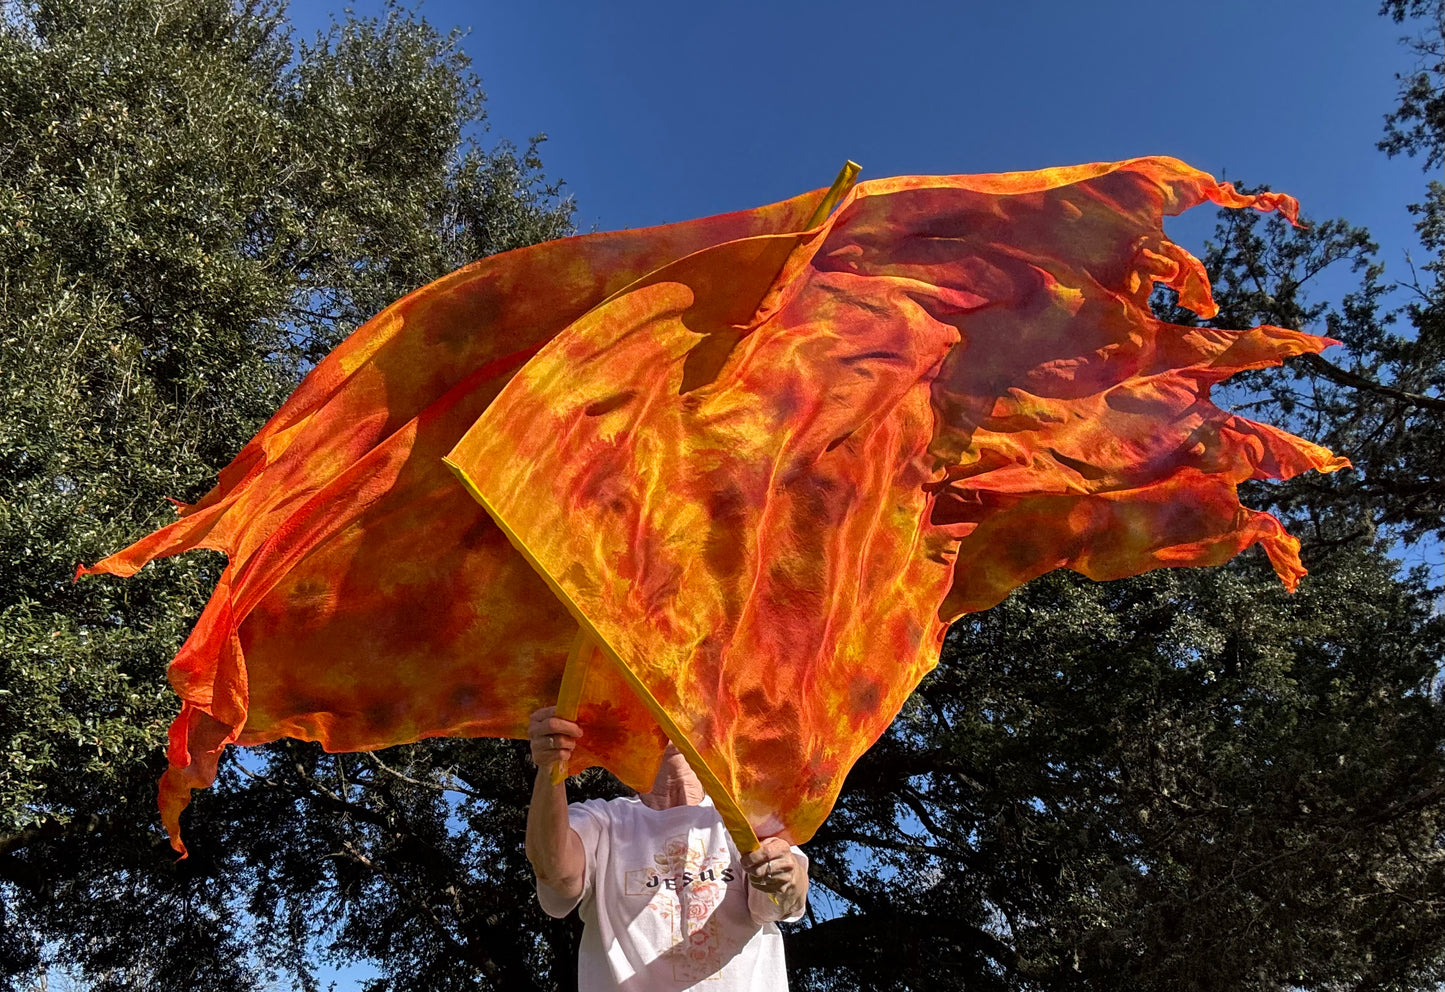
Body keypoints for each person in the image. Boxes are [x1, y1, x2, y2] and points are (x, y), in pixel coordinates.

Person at [526, 706, 809, 991]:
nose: (668, 716)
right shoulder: (602, 822)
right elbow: (557, 873)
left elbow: (781, 901)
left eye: (681, 705)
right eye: (652, 709)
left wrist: (785, 879)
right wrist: (550, 766)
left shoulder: (746, 816)